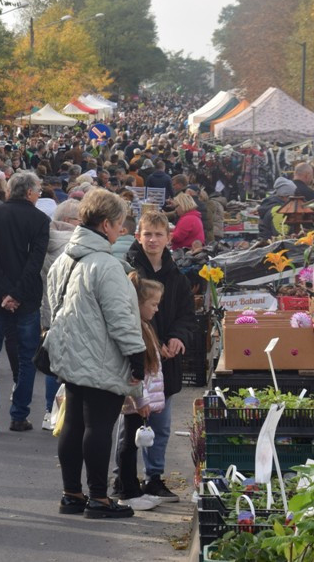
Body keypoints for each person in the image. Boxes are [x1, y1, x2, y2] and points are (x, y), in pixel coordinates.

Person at [44, 188, 146, 519]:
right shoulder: (106, 265)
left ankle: (72, 494)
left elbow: (53, 305)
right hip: (101, 355)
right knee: (99, 426)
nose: (122, 231)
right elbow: (121, 318)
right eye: (119, 224)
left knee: (73, 422)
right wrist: (137, 355)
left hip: (70, 353)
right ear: (105, 225)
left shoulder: (64, 259)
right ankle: (99, 499)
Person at [124, 211, 194, 503]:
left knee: (161, 425)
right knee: (128, 425)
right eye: (147, 234)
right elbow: (127, 315)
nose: (152, 240)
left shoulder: (177, 276)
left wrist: (178, 337)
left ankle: (154, 477)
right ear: (138, 236)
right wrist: (152, 342)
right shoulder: (129, 271)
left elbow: (187, 316)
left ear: (168, 238)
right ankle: (124, 479)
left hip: (166, 363)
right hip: (138, 357)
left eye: (158, 234)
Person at [0, 171, 50, 431]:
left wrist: (4, 292)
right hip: (26, 300)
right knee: (27, 356)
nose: (39, 194)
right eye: (38, 191)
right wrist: (16, 293)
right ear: (29, 192)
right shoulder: (40, 220)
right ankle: (19, 414)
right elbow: (35, 262)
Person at [113, 273, 166, 512]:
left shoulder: (145, 326)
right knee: (129, 444)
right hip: (136, 398)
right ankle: (127, 491)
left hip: (139, 398)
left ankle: (131, 487)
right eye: (153, 304)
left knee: (132, 443)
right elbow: (137, 370)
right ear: (138, 304)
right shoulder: (138, 329)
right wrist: (141, 398)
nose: (156, 309)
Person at [39, 199, 80, 431]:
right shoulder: (73, 245)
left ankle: (48, 412)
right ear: (69, 221)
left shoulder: (45, 240)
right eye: (79, 220)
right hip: (70, 311)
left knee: (51, 361)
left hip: (47, 309)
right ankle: (62, 412)